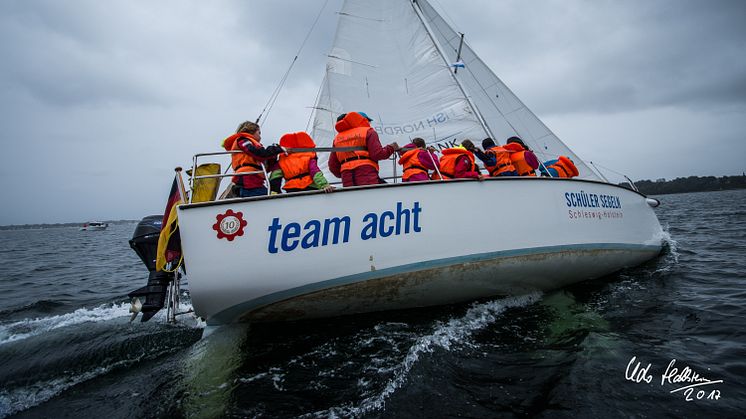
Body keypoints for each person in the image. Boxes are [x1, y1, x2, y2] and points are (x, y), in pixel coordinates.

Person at [328, 112, 399, 187]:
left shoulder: (337, 139)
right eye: (368, 121)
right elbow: (377, 154)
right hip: (366, 171)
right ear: (362, 120)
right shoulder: (368, 131)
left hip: (346, 175)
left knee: (352, 197)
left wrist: (343, 172)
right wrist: (391, 148)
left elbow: (332, 165)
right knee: (372, 196)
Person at [221, 121, 285, 197]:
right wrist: (275, 149)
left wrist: (272, 157)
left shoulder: (250, 143)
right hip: (248, 177)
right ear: (251, 131)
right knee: (260, 194)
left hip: (254, 177)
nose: (260, 136)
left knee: (264, 193)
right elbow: (258, 153)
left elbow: (263, 162)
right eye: (259, 132)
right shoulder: (242, 140)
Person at [270, 131, 335, 193]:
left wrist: (275, 191)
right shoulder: (309, 157)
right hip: (310, 186)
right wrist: (324, 185)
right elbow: (315, 172)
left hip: (291, 188)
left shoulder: (281, 161)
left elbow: (275, 177)